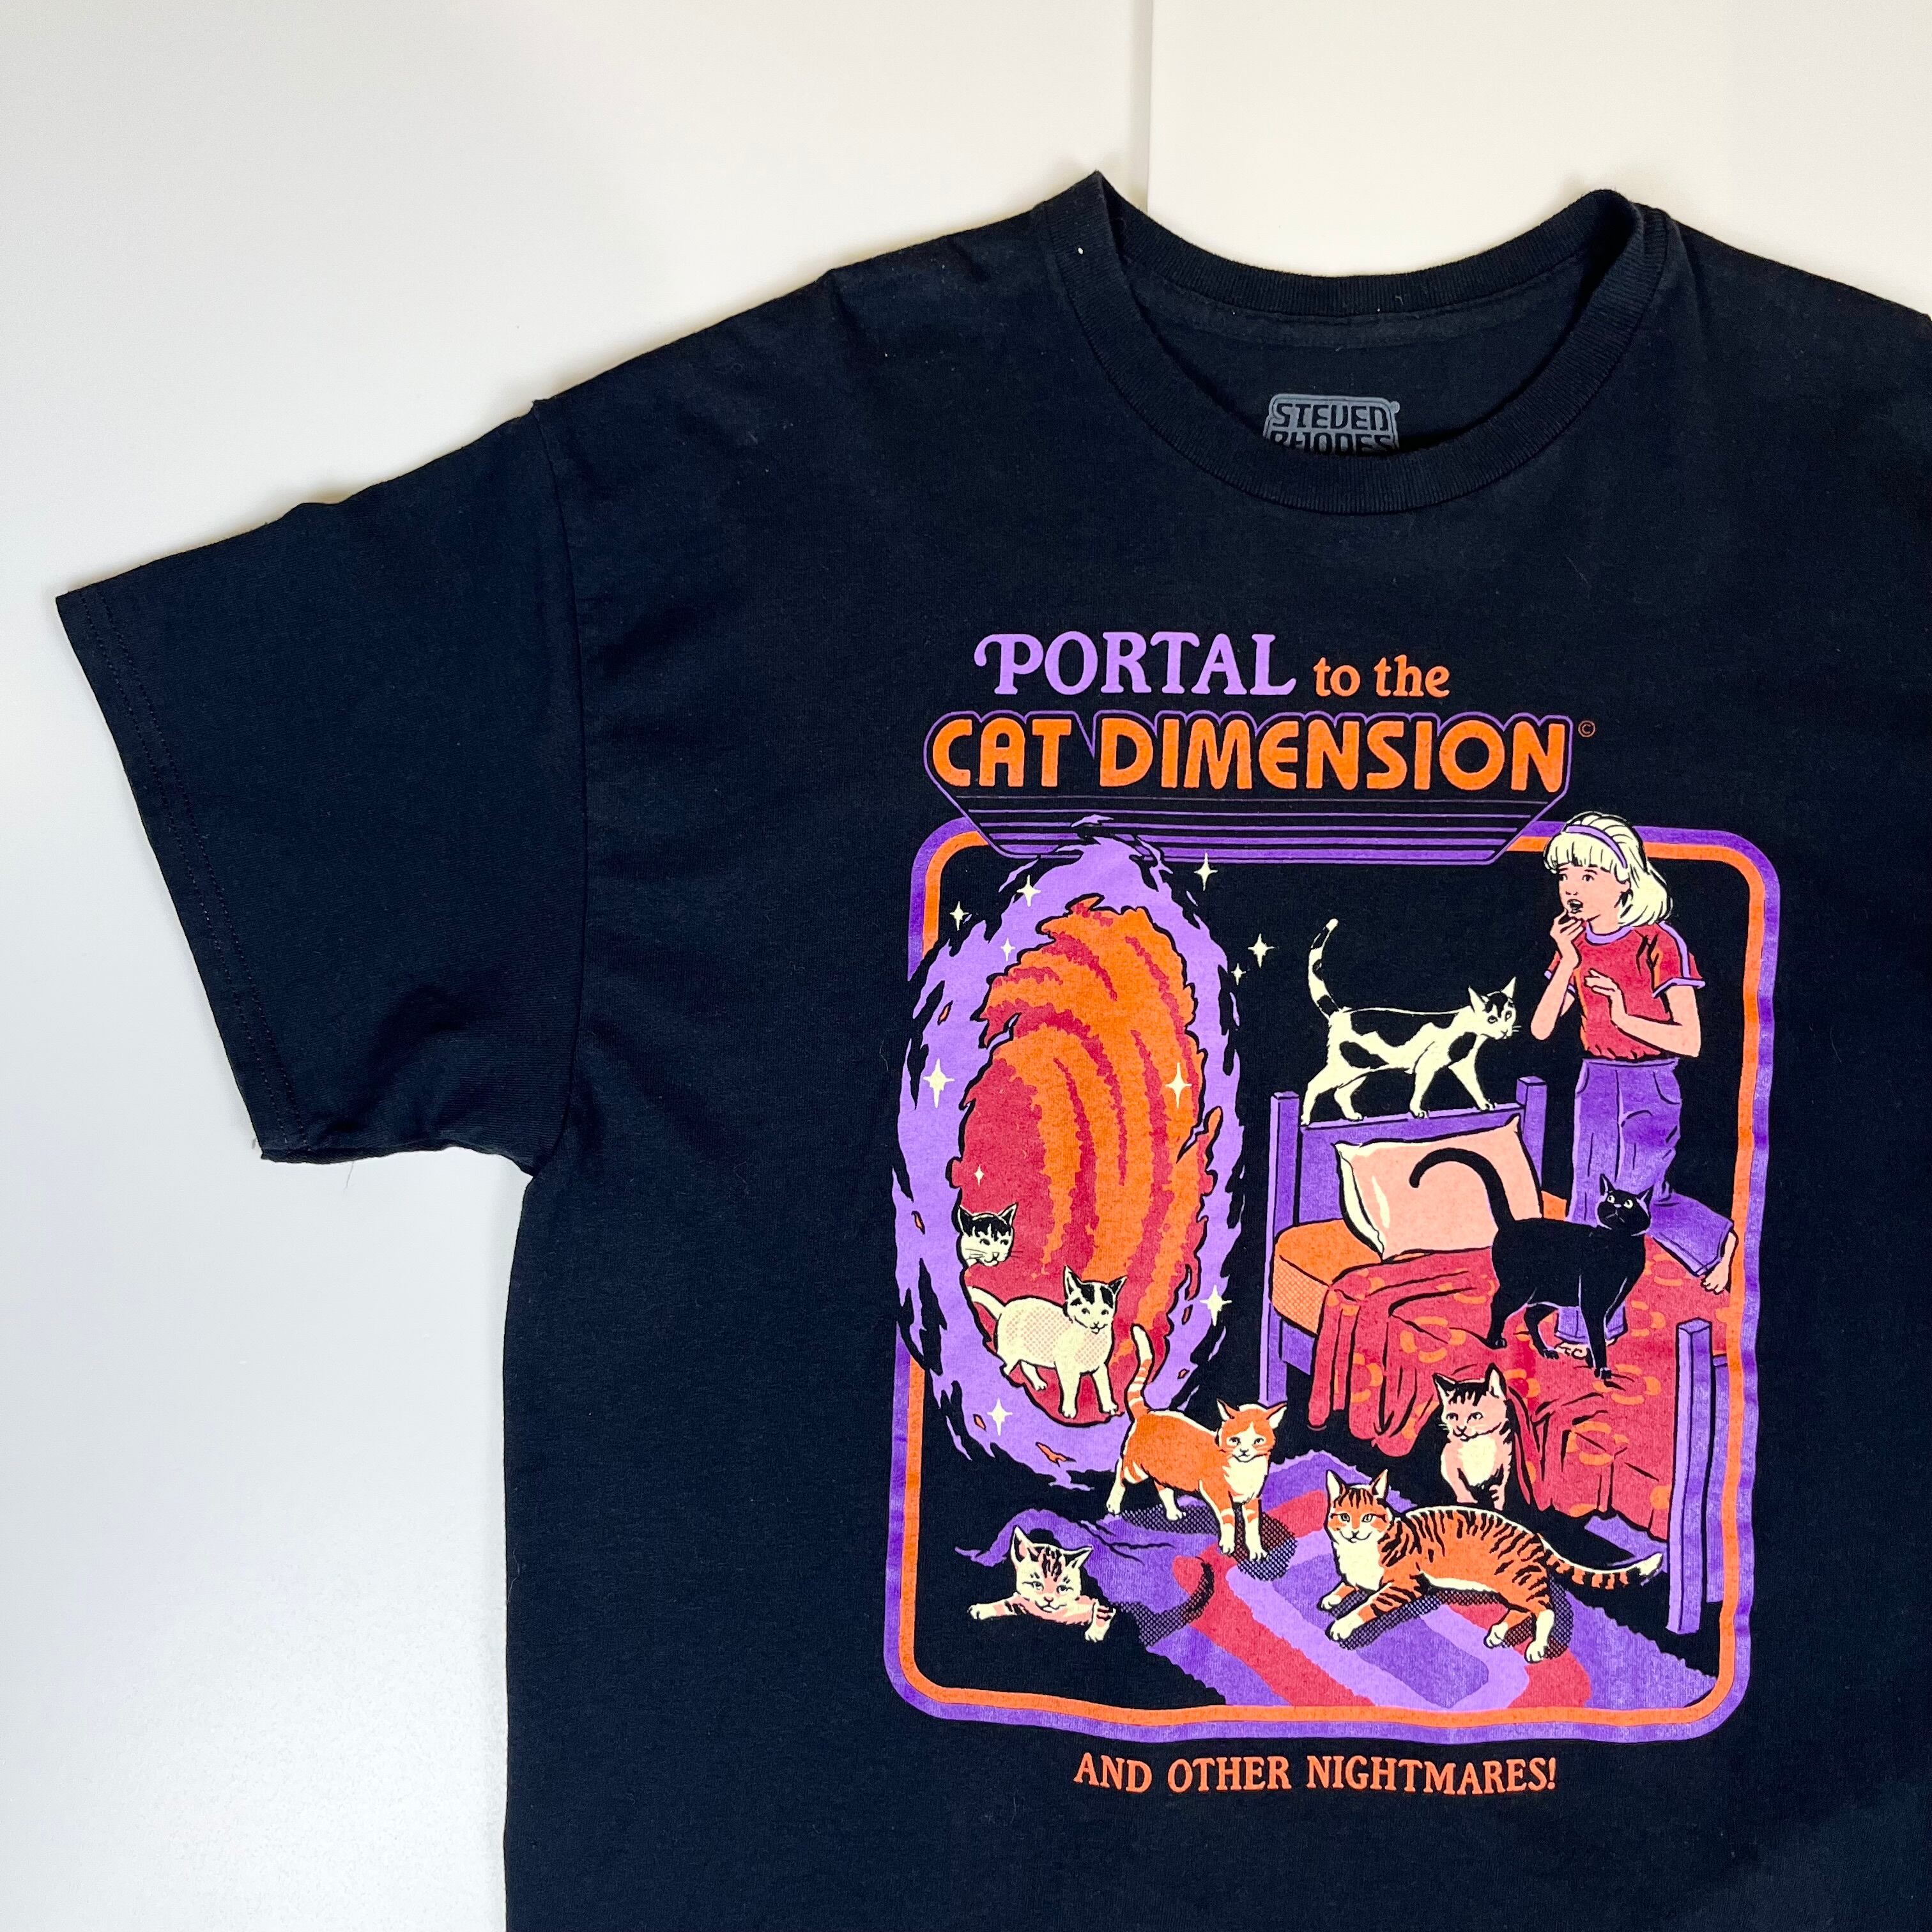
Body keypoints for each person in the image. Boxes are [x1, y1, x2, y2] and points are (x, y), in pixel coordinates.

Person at [1529, 813, 1735, 1354]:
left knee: (1639, 1199)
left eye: (1587, 876)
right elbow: (1542, 1028)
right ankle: (1583, 1330)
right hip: (1594, 1081)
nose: (1572, 889)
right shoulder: (1575, 944)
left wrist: (1623, 1015)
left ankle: (1716, 1239)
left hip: (1650, 1084)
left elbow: (1690, 1040)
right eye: (1565, 876)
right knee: (1587, 1202)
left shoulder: (1659, 942)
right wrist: (1568, 961)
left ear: (1624, 879)